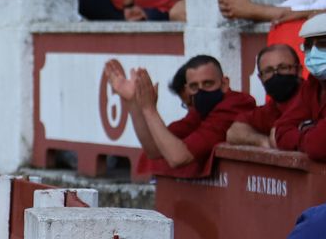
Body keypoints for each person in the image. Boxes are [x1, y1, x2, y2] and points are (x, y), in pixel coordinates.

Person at [105, 54, 255, 175]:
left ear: (224, 84)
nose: (201, 91)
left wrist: (150, 110)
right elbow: (154, 150)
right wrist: (133, 104)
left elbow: (177, 157)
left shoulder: (235, 104)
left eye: (208, 84)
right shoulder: (199, 111)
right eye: (194, 86)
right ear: (187, 89)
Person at [270, 12, 326, 162]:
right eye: (308, 46)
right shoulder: (314, 82)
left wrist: (303, 132)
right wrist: (312, 135)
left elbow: (320, 146)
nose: (313, 52)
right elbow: (281, 131)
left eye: (323, 44)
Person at [227, 44, 304, 146]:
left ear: (299, 71)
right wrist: (263, 141)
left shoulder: (314, 96)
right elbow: (233, 132)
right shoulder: (272, 107)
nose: (276, 75)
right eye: (268, 71)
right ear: (261, 78)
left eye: (283, 68)